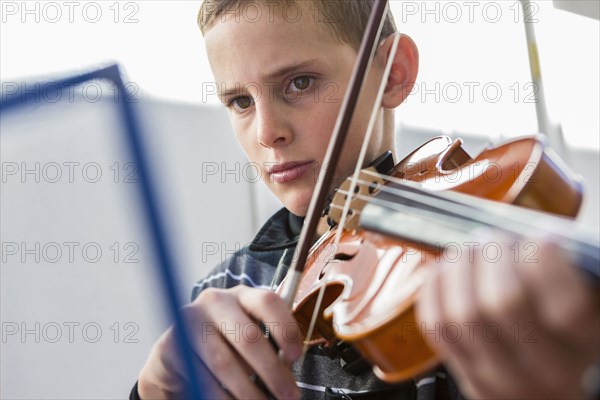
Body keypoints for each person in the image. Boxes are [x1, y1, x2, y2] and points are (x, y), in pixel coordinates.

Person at [132, 1, 600, 399]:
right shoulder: (230, 286)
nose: (267, 131)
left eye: (299, 83)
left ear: (392, 74)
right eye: (240, 101)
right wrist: (153, 388)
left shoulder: (481, 281)